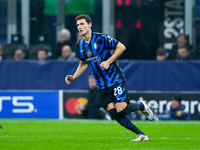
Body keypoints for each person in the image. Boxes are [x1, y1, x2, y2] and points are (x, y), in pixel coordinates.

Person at [65, 14, 154, 141]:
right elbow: (83, 64)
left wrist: (109, 61)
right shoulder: (80, 45)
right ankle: (141, 134)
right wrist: (73, 77)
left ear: (89, 25)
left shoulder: (101, 38)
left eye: (82, 24)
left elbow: (121, 47)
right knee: (113, 112)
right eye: (78, 25)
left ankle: (141, 106)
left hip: (115, 79)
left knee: (121, 109)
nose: (80, 27)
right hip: (101, 84)